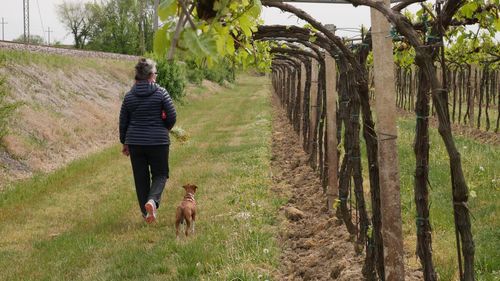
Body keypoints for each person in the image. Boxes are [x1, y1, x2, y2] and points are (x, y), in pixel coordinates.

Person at [119, 58, 176, 223]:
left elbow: (123, 122)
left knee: (140, 178)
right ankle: (152, 201)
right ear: (151, 75)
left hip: (136, 143)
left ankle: (146, 215)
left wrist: (125, 142)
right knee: (160, 174)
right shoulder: (161, 93)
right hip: (158, 142)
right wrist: (165, 128)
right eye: (156, 73)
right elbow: (172, 116)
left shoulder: (129, 97)